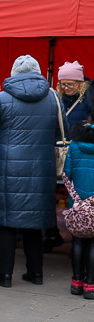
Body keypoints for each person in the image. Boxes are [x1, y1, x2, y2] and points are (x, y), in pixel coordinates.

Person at [0, 55, 59, 288]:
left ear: (14, 73)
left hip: (8, 168)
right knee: (35, 221)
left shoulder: (1, 98)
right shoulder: (53, 97)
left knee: (6, 222)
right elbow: (60, 130)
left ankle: (4, 275)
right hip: (41, 167)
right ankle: (36, 274)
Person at [64, 118, 94, 298]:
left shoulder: (74, 145)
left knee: (77, 240)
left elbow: (67, 173)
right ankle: (90, 285)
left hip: (76, 202)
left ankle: (76, 282)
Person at [57, 61, 90, 132]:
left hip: (81, 142)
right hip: (59, 142)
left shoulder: (90, 99)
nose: (66, 88)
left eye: (70, 84)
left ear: (80, 83)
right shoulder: (57, 99)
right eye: (63, 84)